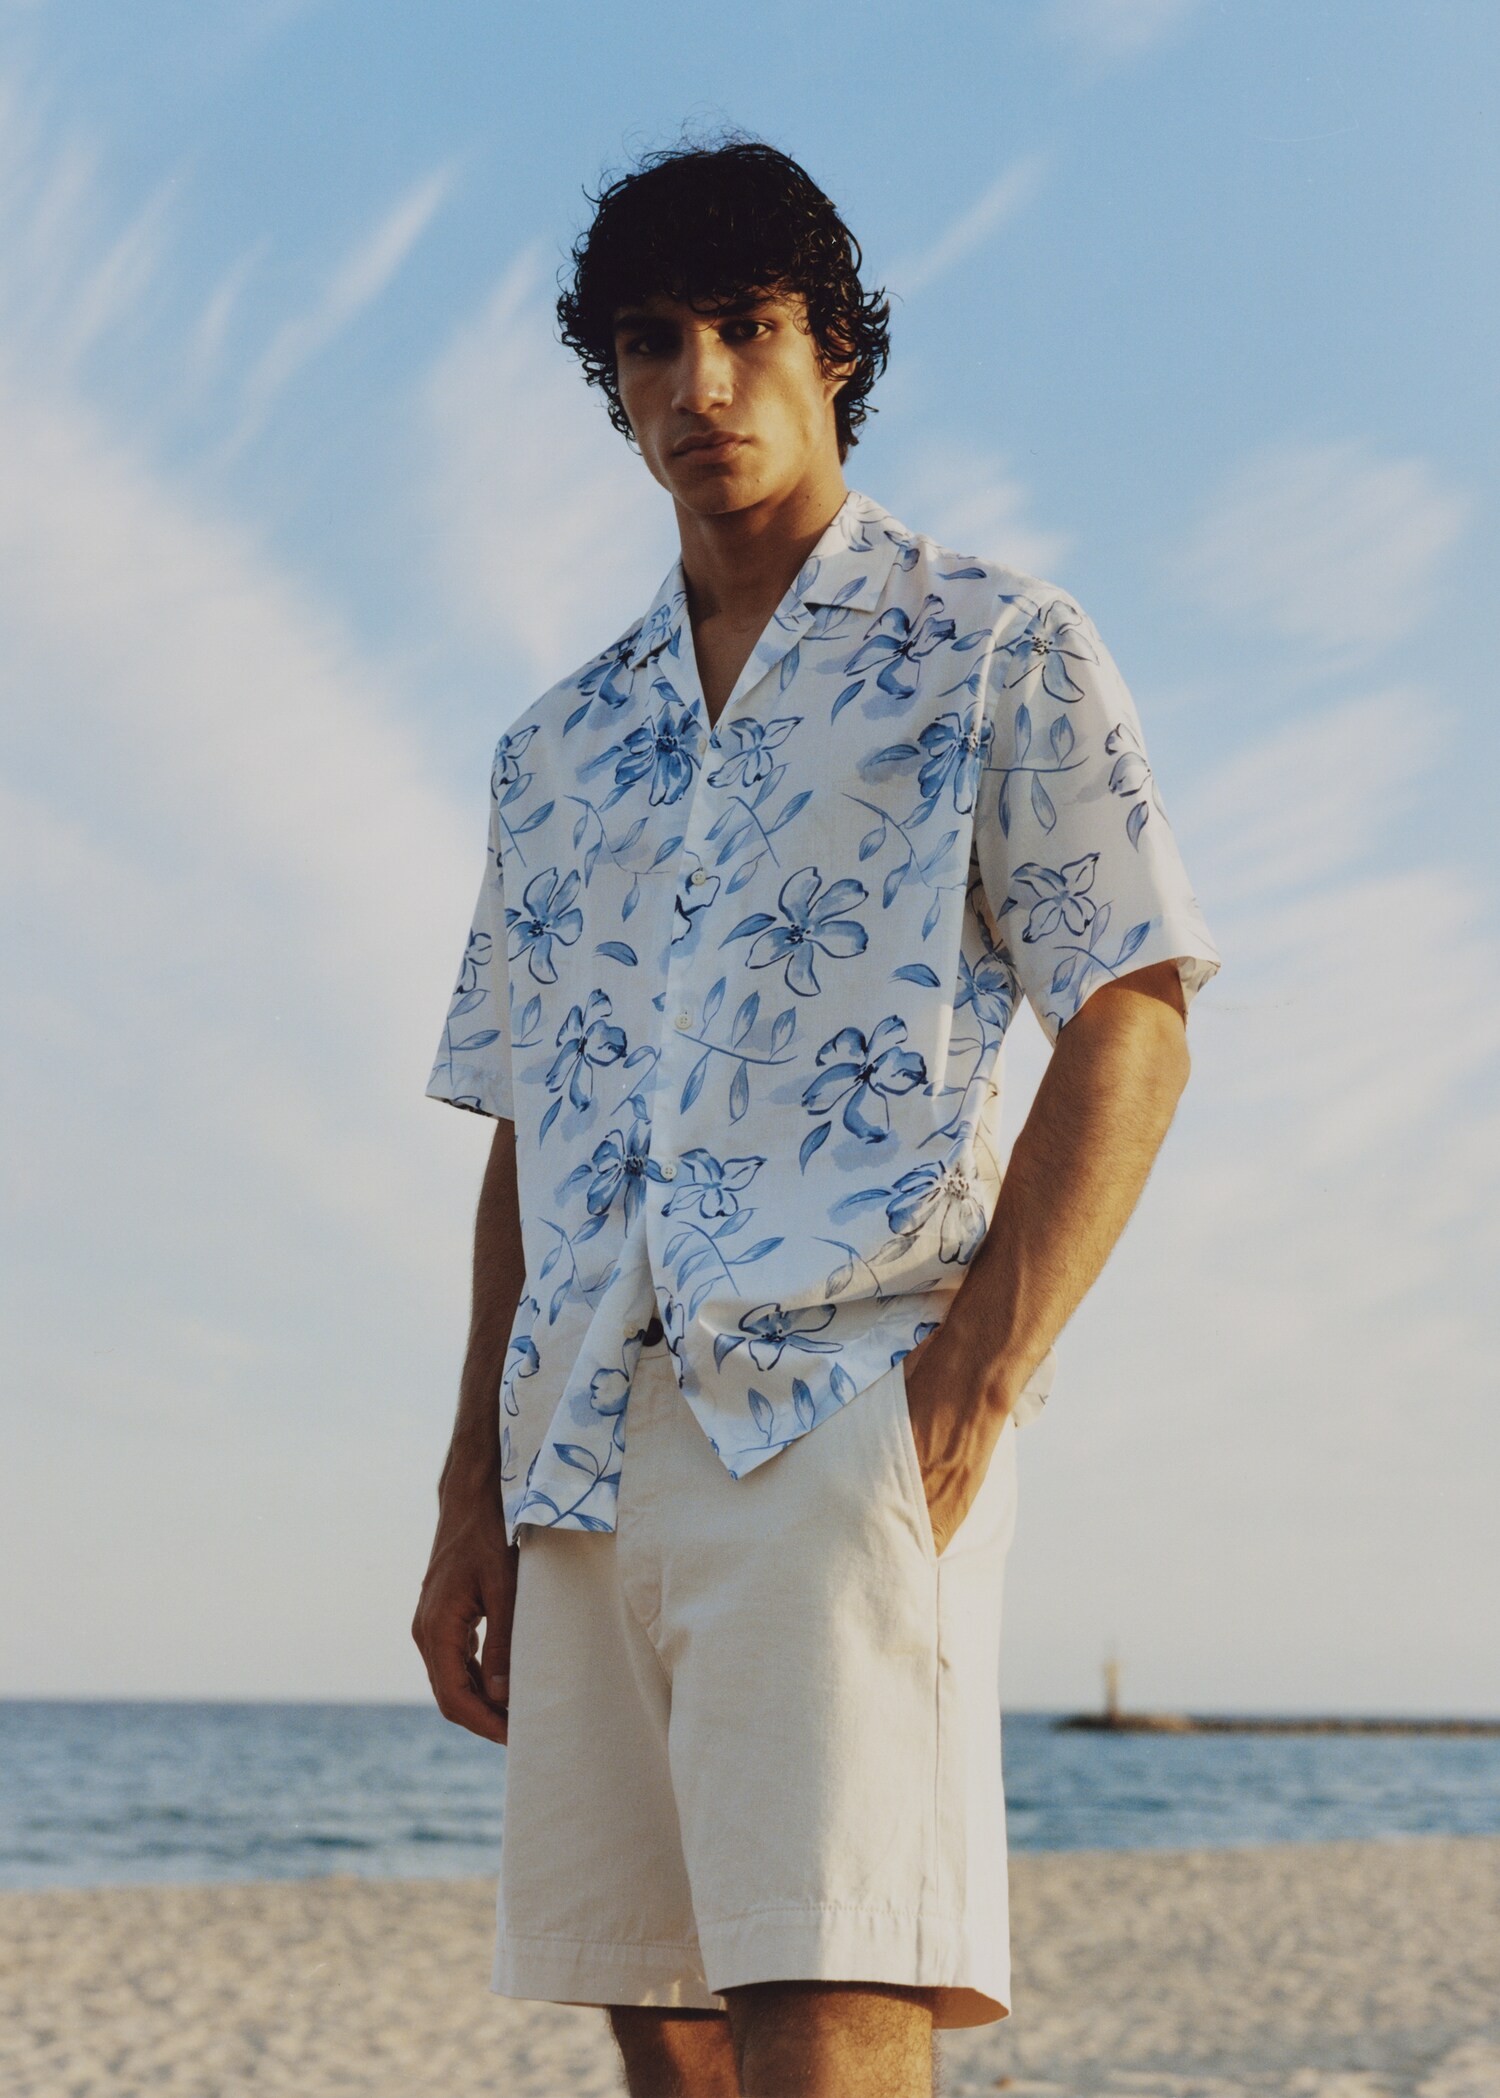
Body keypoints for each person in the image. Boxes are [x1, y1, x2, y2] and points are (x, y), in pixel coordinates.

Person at [412, 134, 1221, 2098]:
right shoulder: (552, 749)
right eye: (649, 341)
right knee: (666, 2014)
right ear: (610, 383)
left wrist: (976, 1378)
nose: (699, 384)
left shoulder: (997, 645)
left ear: (836, 346)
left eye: (747, 327)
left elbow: (1132, 1005)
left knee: (831, 1994)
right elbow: (532, 1122)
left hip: (844, 1400)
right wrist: (466, 1492)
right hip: (580, 1442)